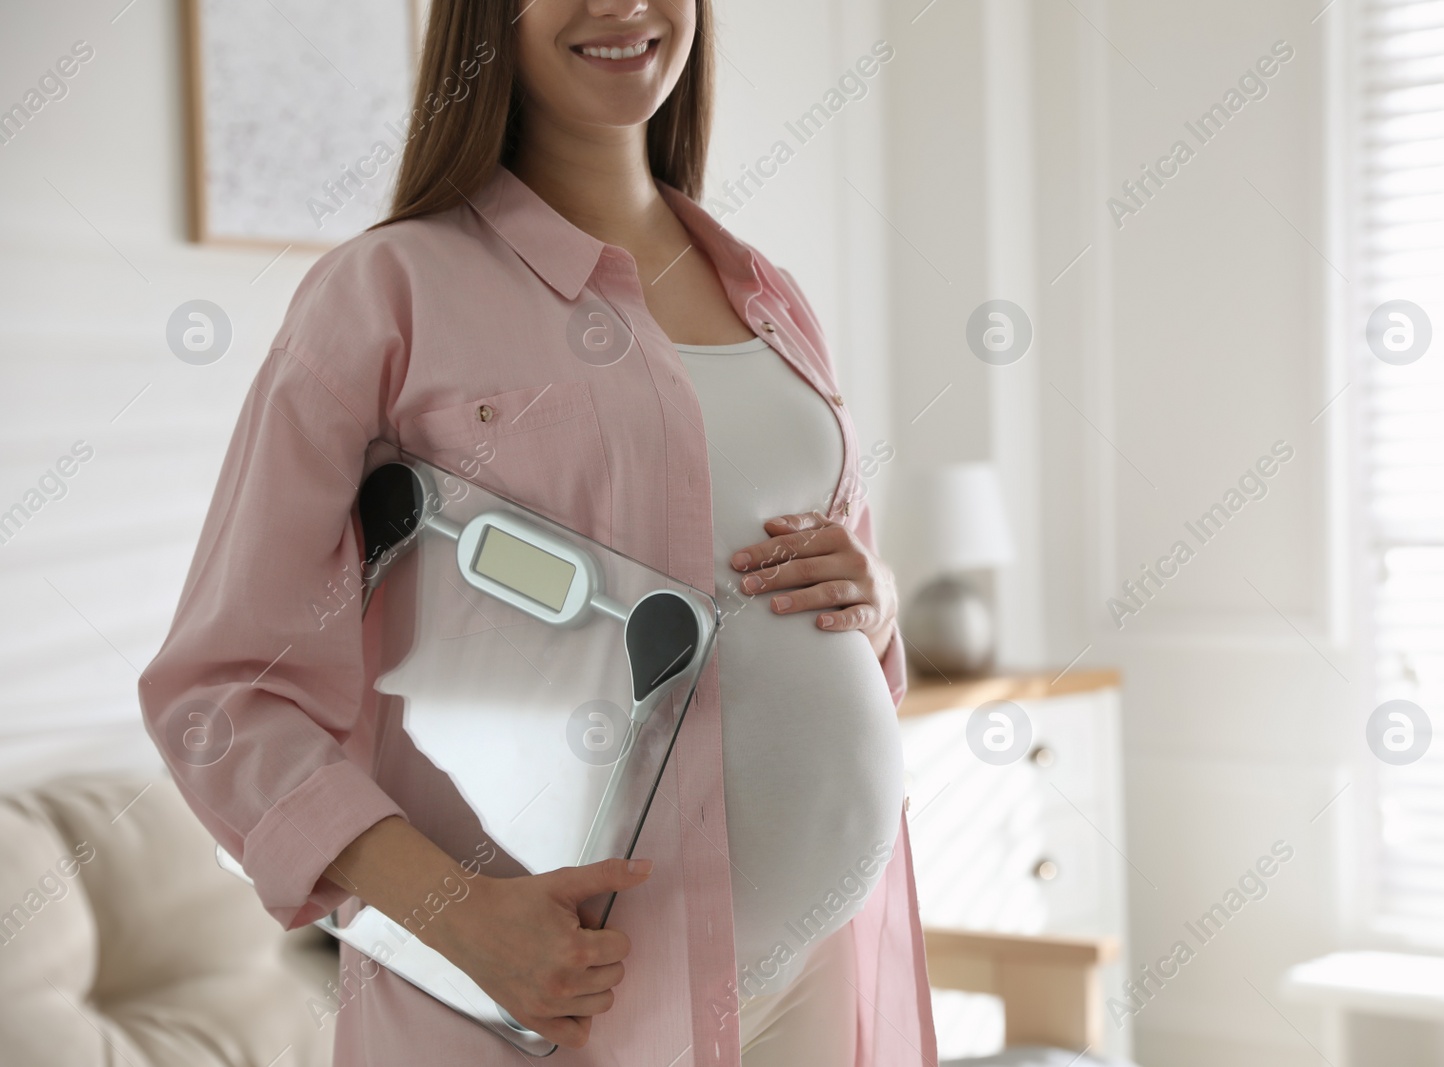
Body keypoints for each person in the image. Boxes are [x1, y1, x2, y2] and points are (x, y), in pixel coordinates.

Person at [140, 1, 937, 1064]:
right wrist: (457, 915)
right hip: (558, 1003)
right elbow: (219, 692)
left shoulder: (770, 296)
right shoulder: (386, 295)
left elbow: (841, 638)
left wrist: (872, 598)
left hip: (815, 971)